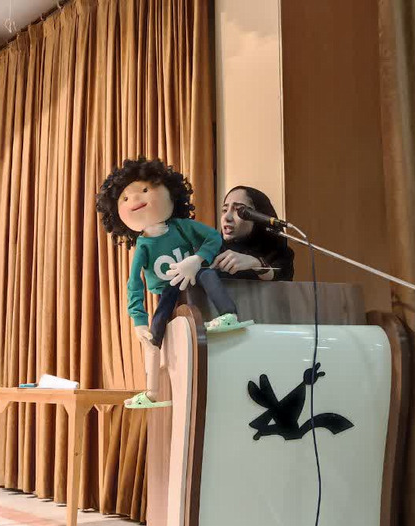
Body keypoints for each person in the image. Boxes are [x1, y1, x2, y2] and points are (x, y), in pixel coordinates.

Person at [96, 157, 252, 409]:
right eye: (125, 198)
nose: (134, 199)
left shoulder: (181, 227)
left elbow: (213, 238)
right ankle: (151, 392)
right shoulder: (143, 246)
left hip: (193, 276)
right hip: (168, 289)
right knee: (153, 334)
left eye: (144, 190)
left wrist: (197, 259)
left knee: (208, 275)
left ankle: (229, 314)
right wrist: (138, 320)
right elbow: (134, 284)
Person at [213, 186, 295, 281]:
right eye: (224, 210)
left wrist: (258, 264)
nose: (227, 217)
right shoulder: (211, 249)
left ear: (259, 217)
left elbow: (277, 276)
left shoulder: (280, 253)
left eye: (239, 210)